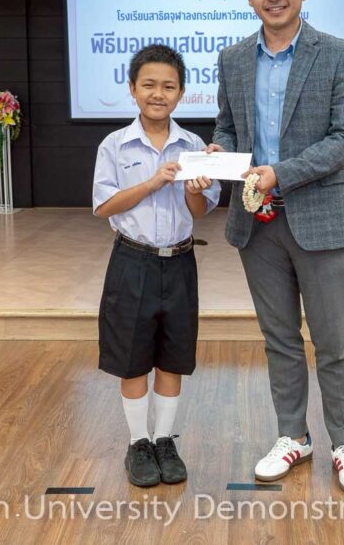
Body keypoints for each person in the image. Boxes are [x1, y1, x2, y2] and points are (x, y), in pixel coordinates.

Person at [207, 0, 344, 496]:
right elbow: (228, 127)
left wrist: (280, 173)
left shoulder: (338, 54)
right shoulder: (233, 59)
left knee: (333, 342)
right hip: (256, 224)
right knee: (279, 339)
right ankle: (293, 436)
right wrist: (220, 152)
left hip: (321, 218)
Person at [92, 44, 220, 487]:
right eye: (149, 84)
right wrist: (151, 182)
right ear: (132, 89)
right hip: (132, 261)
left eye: (168, 86)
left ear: (181, 93)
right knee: (132, 359)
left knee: (172, 357)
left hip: (180, 262)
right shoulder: (114, 145)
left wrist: (192, 188)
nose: (158, 94)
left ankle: (164, 440)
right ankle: (138, 443)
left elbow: (200, 211)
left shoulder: (195, 147)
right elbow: (103, 206)